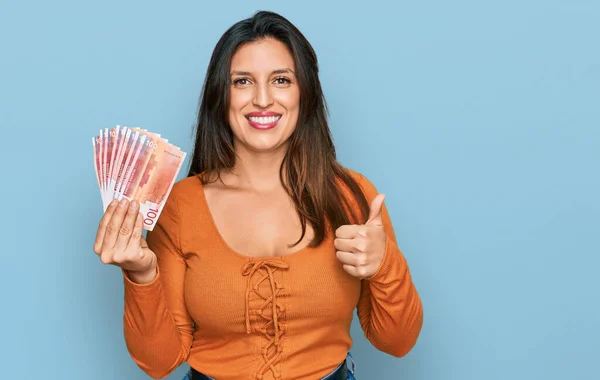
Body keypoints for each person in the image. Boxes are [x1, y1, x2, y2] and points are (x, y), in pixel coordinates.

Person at [93, 10, 423, 380]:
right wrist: (141, 273)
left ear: (305, 92)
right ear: (221, 95)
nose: (263, 99)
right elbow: (159, 362)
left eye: (281, 79)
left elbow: (398, 342)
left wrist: (384, 265)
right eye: (242, 82)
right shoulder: (180, 206)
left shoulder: (352, 196)